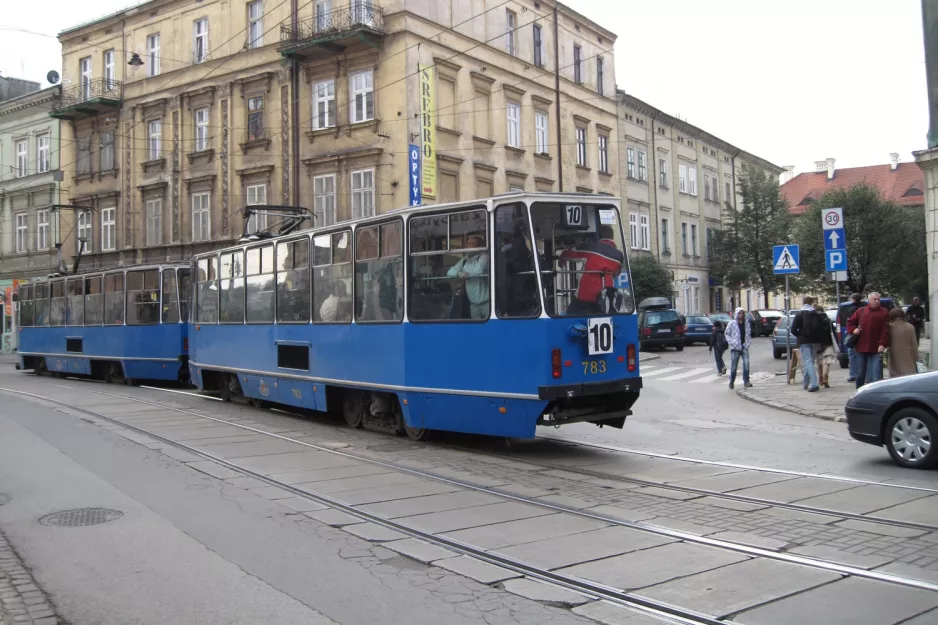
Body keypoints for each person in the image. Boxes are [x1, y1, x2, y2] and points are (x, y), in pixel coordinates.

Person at [560, 225, 624, 315]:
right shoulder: (619, 255)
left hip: (585, 296)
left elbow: (572, 253)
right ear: (612, 237)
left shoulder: (591, 247)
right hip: (605, 298)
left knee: (571, 316)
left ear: (598, 235)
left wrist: (563, 256)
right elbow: (617, 273)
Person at [846, 292, 890, 389]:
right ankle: (859, 390)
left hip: (876, 347)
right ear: (869, 300)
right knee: (860, 373)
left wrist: (882, 344)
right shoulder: (861, 311)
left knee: (876, 373)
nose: (877, 301)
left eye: (878, 299)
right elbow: (850, 323)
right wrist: (854, 330)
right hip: (861, 346)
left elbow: (885, 330)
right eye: (874, 299)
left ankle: (875, 392)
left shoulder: (884, 312)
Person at [447, 235, 490, 320]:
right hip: (473, 304)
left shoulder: (485, 256)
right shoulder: (465, 260)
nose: (467, 245)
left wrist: (464, 274)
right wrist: (459, 273)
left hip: (487, 303)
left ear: (478, 246)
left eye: (470, 243)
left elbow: (478, 271)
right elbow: (449, 272)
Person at [791, 296, 823, 392]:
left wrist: (800, 335)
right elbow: (820, 328)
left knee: (808, 362)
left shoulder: (799, 314)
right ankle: (805, 383)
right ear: (811, 303)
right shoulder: (816, 314)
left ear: (803, 303)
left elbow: (793, 330)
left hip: (804, 341)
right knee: (810, 362)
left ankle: (814, 383)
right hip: (815, 340)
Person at [724, 307, 752, 390]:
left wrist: (748, 342)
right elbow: (727, 334)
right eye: (739, 313)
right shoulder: (732, 323)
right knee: (734, 366)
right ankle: (732, 381)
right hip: (735, 347)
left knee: (746, 364)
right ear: (736, 314)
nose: (741, 315)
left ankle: (746, 381)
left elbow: (748, 334)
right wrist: (732, 342)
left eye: (742, 313)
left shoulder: (746, 323)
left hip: (744, 346)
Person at [887, 307, 920, 377]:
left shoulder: (889, 327)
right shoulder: (910, 327)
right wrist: (917, 358)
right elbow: (914, 345)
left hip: (894, 358)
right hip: (909, 358)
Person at [815, 303, 838, 388]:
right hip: (828, 343)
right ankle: (825, 378)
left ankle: (820, 379)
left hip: (818, 344)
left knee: (819, 363)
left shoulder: (814, 319)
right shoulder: (828, 320)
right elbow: (833, 332)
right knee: (826, 362)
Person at [841, 293, 863, 382]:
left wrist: (850, 330)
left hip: (854, 333)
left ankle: (854, 374)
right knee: (860, 355)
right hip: (863, 332)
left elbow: (850, 322)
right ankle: (860, 373)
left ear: (853, 299)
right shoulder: (864, 307)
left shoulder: (851, 309)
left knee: (853, 354)